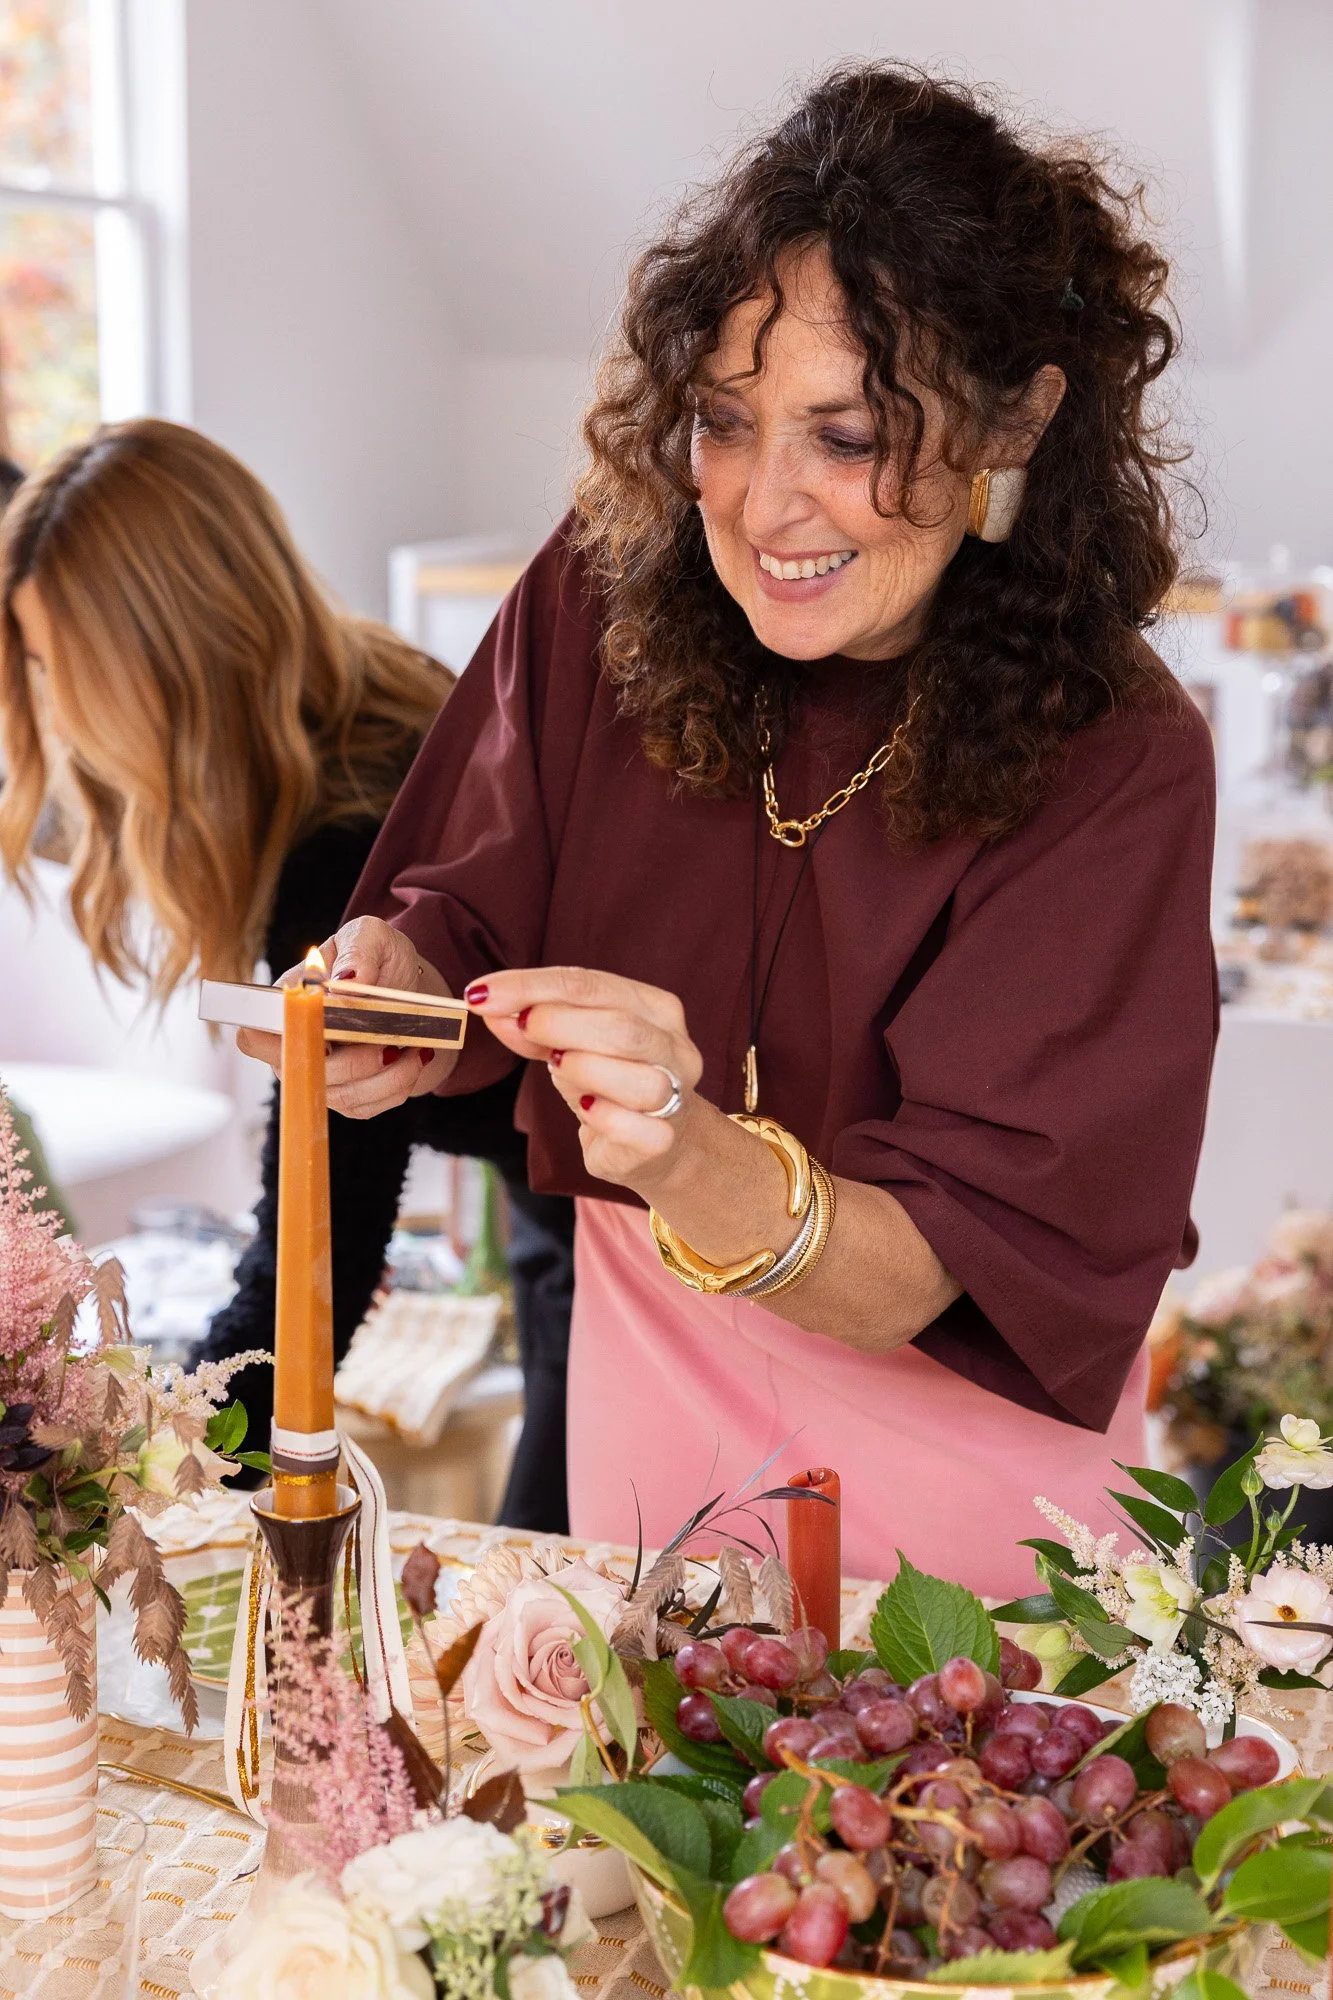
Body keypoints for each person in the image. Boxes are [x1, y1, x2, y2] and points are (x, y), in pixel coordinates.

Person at [240, 67, 1217, 1598]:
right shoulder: (601, 594)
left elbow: (927, 1272)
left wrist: (687, 1151)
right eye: (723, 419)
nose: (767, 505)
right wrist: (397, 995)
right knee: (642, 1806)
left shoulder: (1118, 756)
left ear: (1017, 417)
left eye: (849, 436)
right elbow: (461, 917)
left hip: (959, 1462)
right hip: (656, 1403)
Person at [0, 419, 575, 1530]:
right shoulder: (362, 706)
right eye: (31, 662)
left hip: (624, 1219)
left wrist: (158, 1484)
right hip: (554, 1192)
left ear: (165, 652)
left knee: (565, 1602)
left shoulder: (344, 843)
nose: (52, 704)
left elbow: (318, 1249)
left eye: (62, 664)